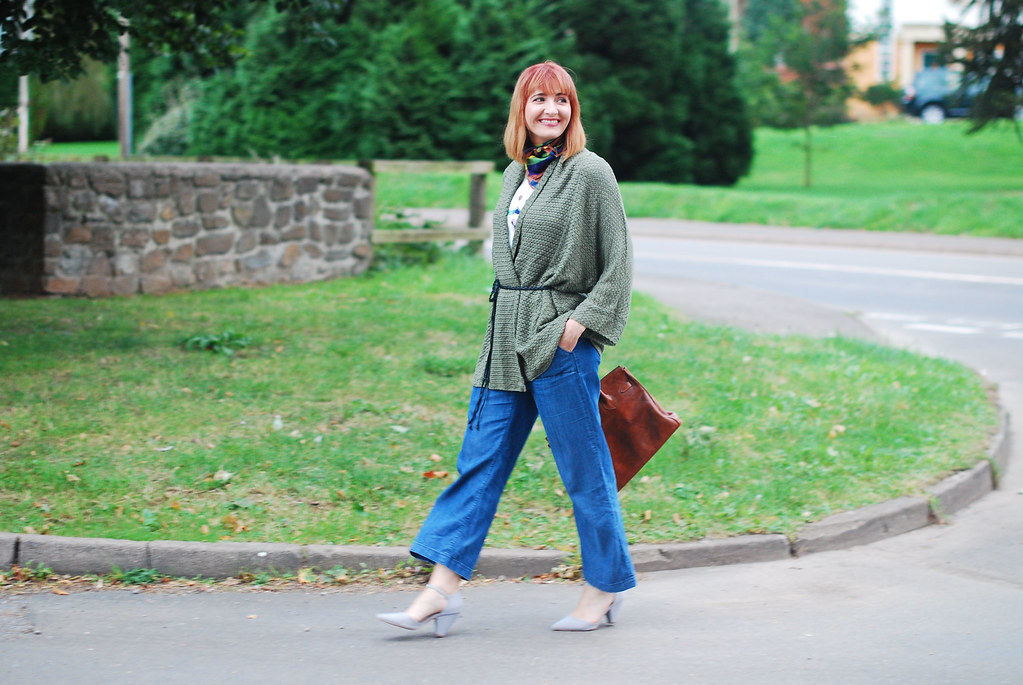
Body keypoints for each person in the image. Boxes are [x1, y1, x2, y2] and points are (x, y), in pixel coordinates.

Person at [376, 61, 635, 636]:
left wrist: (579, 324)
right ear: (521, 109)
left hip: (558, 341)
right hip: (504, 340)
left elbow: (618, 265)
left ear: (573, 111)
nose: (551, 110)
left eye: (562, 101)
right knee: (481, 461)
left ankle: (605, 587)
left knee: (584, 471)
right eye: (539, 99)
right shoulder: (514, 174)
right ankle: (441, 590)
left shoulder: (591, 173)